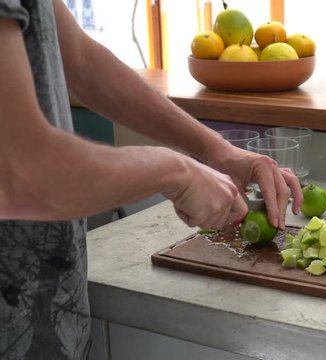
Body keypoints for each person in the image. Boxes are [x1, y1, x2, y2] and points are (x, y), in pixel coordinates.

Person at [0, 1, 303, 358]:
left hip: (44, 313)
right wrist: (177, 171)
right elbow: (18, 174)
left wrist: (219, 152)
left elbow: (81, 60)